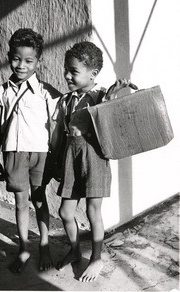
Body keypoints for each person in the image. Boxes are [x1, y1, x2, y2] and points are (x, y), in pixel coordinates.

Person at [52, 41, 131, 282]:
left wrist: (111, 95)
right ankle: (75, 250)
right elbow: (58, 134)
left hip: (93, 157)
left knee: (92, 211)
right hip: (71, 157)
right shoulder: (67, 100)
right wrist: (56, 162)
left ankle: (96, 258)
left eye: (73, 71)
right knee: (65, 211)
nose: (67, 75)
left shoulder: (99, 95)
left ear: (93, 74)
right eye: (67, 69)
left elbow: (107, 117)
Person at [0, 28, 61, 273]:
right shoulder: (2, 91)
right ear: (9, 56)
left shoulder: (46, 92)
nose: (22, 65)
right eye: (17, 59)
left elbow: (64, 117)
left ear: (38, 61)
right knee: (20, 203)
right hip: (13, 154)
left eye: (29, 60)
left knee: (39, 201)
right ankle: (24, 248)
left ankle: (44, 245)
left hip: (40, 154)